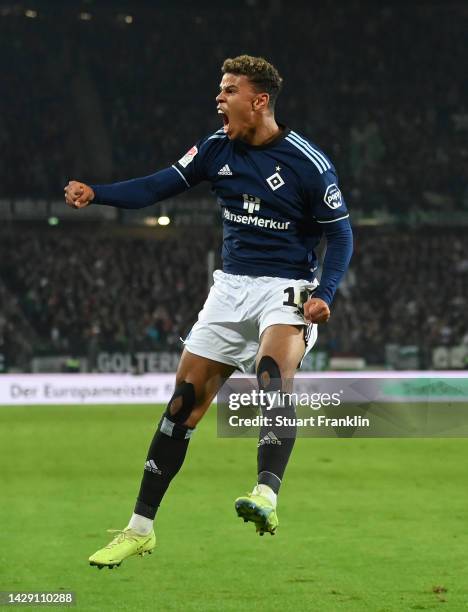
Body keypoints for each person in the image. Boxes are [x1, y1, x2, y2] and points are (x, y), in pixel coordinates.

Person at [64, 54, 353, 569]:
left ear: (258, 100)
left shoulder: (308, 162)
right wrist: (98, 194)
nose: (218, 99)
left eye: (228, 90)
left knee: (271, 374)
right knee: (181, 407)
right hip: (229, 288)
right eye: (219, 90)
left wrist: (325, 292)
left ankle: (266, 494)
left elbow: (341, 233)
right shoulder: (215, 148)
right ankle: (140, 530)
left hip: (285, 286)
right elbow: (157, 186)